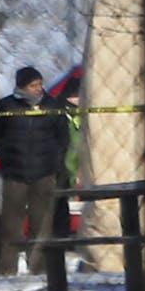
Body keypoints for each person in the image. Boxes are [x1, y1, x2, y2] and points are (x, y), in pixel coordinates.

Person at [0, 66, 70, 275]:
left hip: (44, 174)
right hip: (14, 174)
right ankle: (6, 270)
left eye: (40, 84)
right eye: (33, 85)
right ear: (22, 86)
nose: (38, 89)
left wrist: (55, 161)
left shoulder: (53, 105)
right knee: (10, 226)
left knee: (41, 225)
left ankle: (39, 270)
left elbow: (63, 138)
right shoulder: (5, 106)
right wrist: (5, 158)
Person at [52, 73, 84, 238]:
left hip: (72, 168)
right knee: (59, 206)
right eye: (76, 97)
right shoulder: (60, 114)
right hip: (60, 168)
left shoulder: (79, 116)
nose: (79, 101)